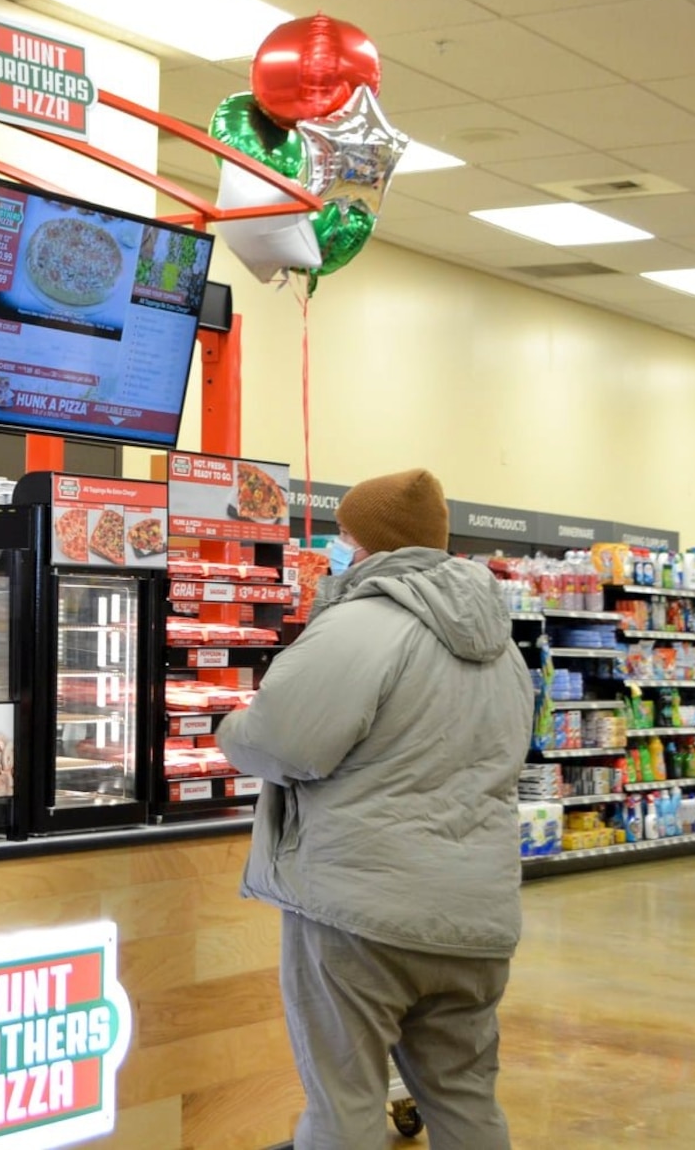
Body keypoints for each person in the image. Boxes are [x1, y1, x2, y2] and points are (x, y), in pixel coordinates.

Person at [214, 468, 534, 1150]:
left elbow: (284, 743)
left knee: (344, 1102)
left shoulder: (361, 624)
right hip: (476, 917)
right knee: (466, 1096)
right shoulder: (503, 647)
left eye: (345, 535)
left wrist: (227, 726)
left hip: (360, 913)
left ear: (368, 543)